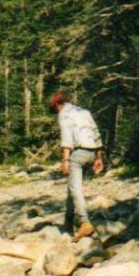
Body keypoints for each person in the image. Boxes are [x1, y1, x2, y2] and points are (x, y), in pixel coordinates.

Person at [51, 92, 104, 238]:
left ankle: (84, 222)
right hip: (92, 152)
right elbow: (96, 133)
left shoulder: (64, 115)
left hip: (77, 154)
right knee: (72, 188)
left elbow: (67, 138)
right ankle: (68, 224)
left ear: (57, 105)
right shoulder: (84, 112)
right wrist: (99, 157)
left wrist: (65, 161)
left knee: (76, 189)